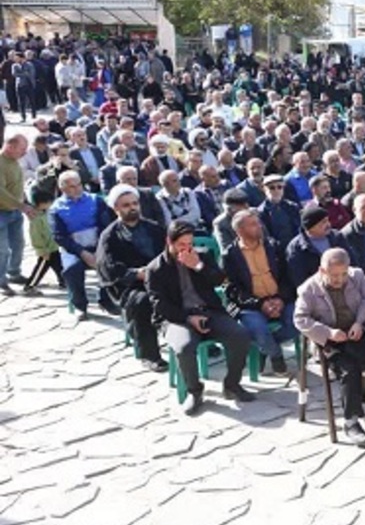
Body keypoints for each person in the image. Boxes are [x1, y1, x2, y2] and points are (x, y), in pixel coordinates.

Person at [145, 221, 255, 416]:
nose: (186, 249)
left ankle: (232, 384)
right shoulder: (155, 269)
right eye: (181, 245)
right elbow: (160, 305)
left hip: (208, 311)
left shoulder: (201, 257)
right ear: (168, 242)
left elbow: (220, 279)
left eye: (189, 244)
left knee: (240, 334)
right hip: (176, 318)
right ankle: (194, 391)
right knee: (184, 347)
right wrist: (188, 318)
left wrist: (198, 266)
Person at [293, 248, 365, 446]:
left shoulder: (358, 276)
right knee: (349, 370)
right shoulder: (309, 289)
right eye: (334, 275)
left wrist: (359, 322)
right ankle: (351, 422)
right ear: (322, 271)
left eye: (343, 274)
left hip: (356, 332)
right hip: (330, 339)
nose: (339, 279)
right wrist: (328, 332)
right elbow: (300, 320)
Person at [95, 184, 168, 372]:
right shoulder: (109, 236)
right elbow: (108, 267)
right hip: (130, 285)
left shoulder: (154, 228)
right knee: (142, 302)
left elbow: (168, 253)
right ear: (116, 208)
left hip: (159, 277)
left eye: (135, 203)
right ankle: (150, 355)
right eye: (126, 205)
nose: (132, 208)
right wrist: (136, 274)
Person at [222, 209, 299, 375]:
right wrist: (260, 304)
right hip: (250, 305)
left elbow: (287, 277)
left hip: (279, 298)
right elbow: (233, 290)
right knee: (258, 329)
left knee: (297, 322)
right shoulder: (230, 255)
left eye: (258, 223)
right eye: (253, 224)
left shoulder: (273, 246)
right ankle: (276, 355)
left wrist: (281, 299)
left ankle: (266, 348)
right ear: (240, 231)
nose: (259, 227)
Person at [50, 170, 114, 319]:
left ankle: (107, 300)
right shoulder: (56, 209)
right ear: (63, 188)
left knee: (110, 264)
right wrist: (82, 253)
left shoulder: (95, 200)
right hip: (74, 249)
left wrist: (99, 249)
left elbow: (107, 226)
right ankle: (80, 305)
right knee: (72, 270)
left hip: (98, 244)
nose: (77, 189)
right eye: (72, 186)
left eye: (79, 184)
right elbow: (59, 236)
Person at [286, 206, 355, 288]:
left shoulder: (337, 237)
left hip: (344, 285)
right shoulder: (296, 248)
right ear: (311, 228)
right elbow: (299, 279)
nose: (328, 224)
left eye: (327, 220)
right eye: (323, 222)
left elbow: (352, 262)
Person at [0, 133, 30, 295]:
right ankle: (1, 280)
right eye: (22, 149)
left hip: (14, 211)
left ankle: (14, 272)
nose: (25, 152)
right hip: (1, 213)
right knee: (2, 249)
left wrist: (25, 202)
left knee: (18, 243)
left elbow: (18, 184)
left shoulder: (15, 162)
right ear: (10, 147)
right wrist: (21, 205)